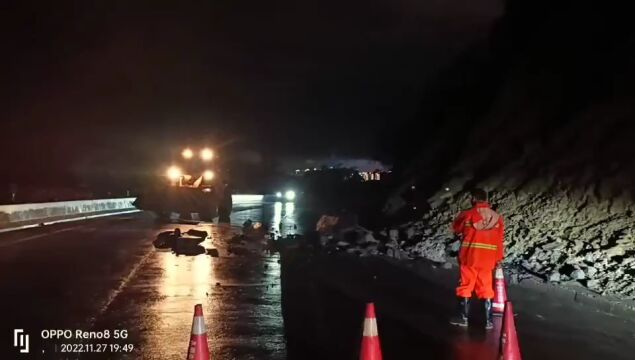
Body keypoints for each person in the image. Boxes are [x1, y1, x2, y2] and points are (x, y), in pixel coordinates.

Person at [449, 189, 504, 329]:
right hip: (488, 259)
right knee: (486, 288)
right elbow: (499, 241)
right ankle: (489, 321)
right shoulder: (497, 218)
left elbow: (455, 228)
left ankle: (463, 318)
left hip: (470, 257)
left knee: (466, 286)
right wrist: (498, 259)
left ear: (473, 198)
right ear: (486, 199)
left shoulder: (468, 214)